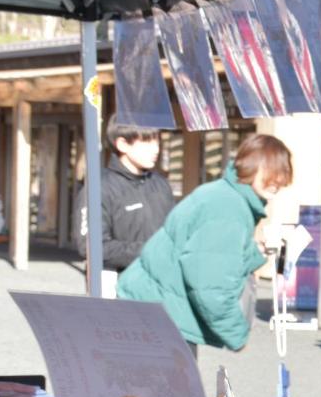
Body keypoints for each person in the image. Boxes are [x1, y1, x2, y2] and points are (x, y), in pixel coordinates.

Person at [118, 135, 290, 352]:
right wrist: (237, 333)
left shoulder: (225, 194)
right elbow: (210, 286)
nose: (277, 182)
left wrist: (257, 251)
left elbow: (217, 259)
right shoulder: (228, 208)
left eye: (282, 174)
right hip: (160, 319)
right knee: (170, 386)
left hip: (153, 310)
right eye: (272, 173)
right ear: (251, 167)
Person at [92, 117, 175, 274]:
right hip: (121, 285)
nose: (156, 149)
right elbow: (95, 247)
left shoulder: (160, 184)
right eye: (147, 142)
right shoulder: (100, 186)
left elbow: (173, 231)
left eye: (157, 141)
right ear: (122, 144)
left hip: (161, 283)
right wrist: (151, 250)